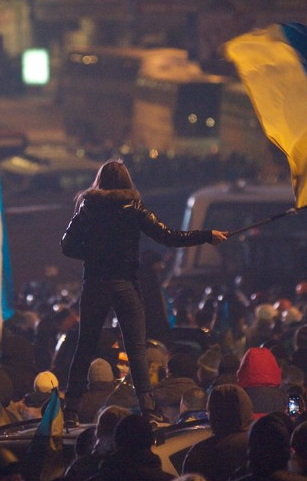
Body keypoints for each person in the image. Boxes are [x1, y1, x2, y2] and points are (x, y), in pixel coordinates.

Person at [60, 159, 227, 425]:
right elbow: (169, 237)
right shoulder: (133, 207)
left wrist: (94, 254)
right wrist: (207, 235)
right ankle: (148, 408)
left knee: (85, 346)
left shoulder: (87, 207)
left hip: (95, 284)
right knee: (136, 349)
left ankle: (70, 409)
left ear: (99, 181)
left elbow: (67, 246)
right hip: (125, 283)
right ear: (126, 181)